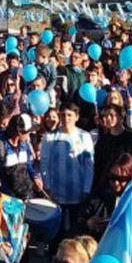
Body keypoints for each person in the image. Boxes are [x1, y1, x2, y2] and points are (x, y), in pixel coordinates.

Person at [40, 101, 94, 239]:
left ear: (76, 117)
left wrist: (87, 188)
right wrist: (48, 186)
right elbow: (44, 163)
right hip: (57, 192)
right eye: (63, 115)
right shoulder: (50, 137)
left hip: (77, 192)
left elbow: (89, 165)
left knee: (76, 229)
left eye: (69, 115)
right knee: (57, 231)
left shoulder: (84, 136)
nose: (66, 118)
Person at [92, 104, 132, 187]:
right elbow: (98, 165)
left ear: (121, 117)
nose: (108, 118)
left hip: (125, 182)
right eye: (105, 116)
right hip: (105, 184)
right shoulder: (102, 140)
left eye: (111, 115)